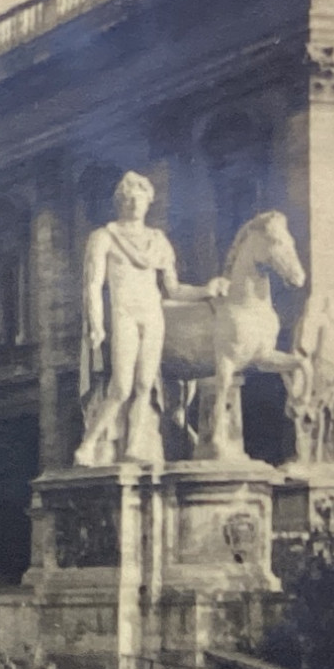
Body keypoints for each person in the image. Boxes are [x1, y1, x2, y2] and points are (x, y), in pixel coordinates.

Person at [74, 171, 223, 466]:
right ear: (120, 202)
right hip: (123, 313)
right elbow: (92, 284)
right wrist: (95, 323)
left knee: (145, 385)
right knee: (121, 386)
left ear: (148, 202)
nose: (134, 203)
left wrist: (207, 289)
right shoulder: (104, 237)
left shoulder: (157, 240)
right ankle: (88, 445)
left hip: (153, 314)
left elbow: (173, 288)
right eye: (129, 198)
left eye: (140, 198)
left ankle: (133, 447)